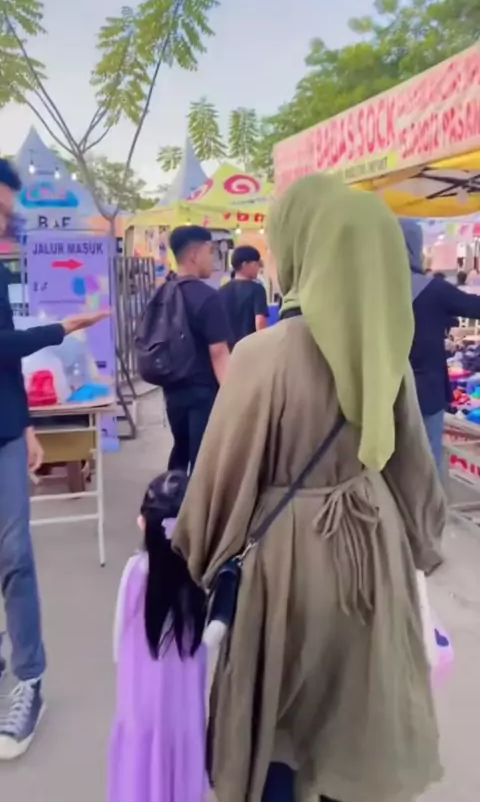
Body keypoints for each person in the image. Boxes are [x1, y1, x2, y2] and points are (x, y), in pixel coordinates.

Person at [173, 175, 447, 802]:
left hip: (286, 567)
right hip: (373, 553)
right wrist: (418, 549)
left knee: (280, 728)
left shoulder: (262, 355)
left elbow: (222, 481)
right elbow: (414, 470)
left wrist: (196, 555)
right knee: (357, 718)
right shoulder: (386, 353)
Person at [0, 158, 110, 759]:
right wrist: (62, 327)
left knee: (14, 555)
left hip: (4, 434)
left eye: (7, 212)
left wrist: (24, 426)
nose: (4, 222)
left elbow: (5, 356)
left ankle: (30, 679)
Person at [108, 471, 207, 802]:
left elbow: (118, 644)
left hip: (141, 709)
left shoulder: (134, 575)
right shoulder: (200, 582)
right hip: (184, 714)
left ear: (143, 524)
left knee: (141, 770)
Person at [400, 218, 480, 476]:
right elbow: (475, 307)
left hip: (386, 393)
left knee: (394, 466)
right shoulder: (434, 290)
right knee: (428, 465)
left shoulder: (373, 292)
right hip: (427, 392)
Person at [164, 225, 230, 473]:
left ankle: (169, 495)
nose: (212, 259)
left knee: (181, 453)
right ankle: (195, 498)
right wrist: (233, 396)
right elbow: (219, 353)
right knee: (205, 462)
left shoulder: (164, 292)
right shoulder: (208, 297)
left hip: (172, 390)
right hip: (203, 392)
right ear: (194, 254)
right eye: (210, 251)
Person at [218, 245, 269, 345]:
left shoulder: (221, 291)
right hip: (249, 347)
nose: (258, 268)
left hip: (228, 349)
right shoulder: (257, 289)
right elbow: (260, 322)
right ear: (244, 265)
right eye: (256, 264)